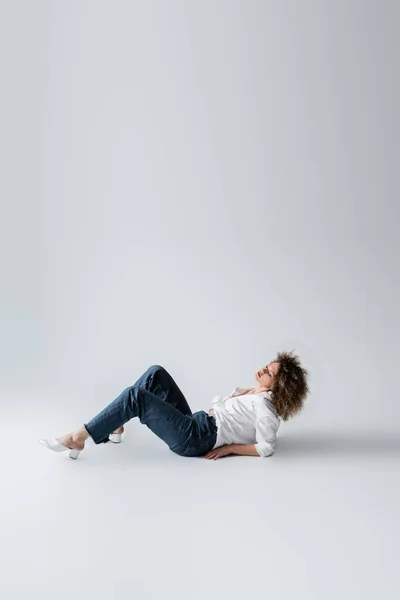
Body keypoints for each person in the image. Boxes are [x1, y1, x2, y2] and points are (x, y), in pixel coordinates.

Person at [39, 350, 309, 460]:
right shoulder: (251, 391)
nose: (263, 369)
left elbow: (267, 446)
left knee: (137, 396)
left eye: (269, 372)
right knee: (156, 373)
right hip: (196, 423)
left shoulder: (265, 408)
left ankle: (79, 437)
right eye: (268, 365)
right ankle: (117, 425)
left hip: (195, 439)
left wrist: (230, 449)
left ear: (277, 386)